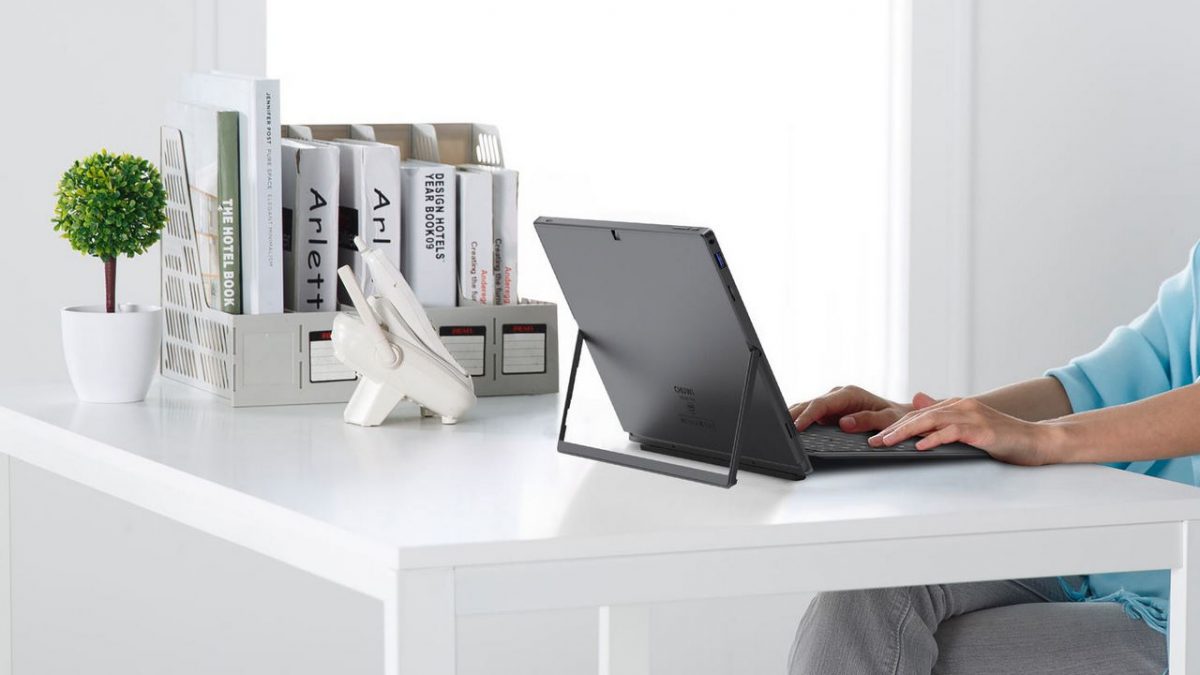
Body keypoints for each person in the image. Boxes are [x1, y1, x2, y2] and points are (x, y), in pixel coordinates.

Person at [786, 244, 1200, 675]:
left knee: (920, 656)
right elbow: (1095, 385)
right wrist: (925, 418)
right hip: (1115, 560)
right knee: (870, 588)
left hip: (1182, 605)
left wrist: (1044, 439)